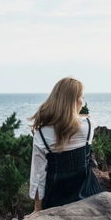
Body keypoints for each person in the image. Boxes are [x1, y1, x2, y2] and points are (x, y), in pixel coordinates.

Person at [28, 77, 101, 211]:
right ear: (74, 101)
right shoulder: (89, 126)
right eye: (82, 97)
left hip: (56, 199)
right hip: (87, 195)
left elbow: (38, 175)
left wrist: (37, 209)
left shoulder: (42, 133)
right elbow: (82, 121)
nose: (83, 102)